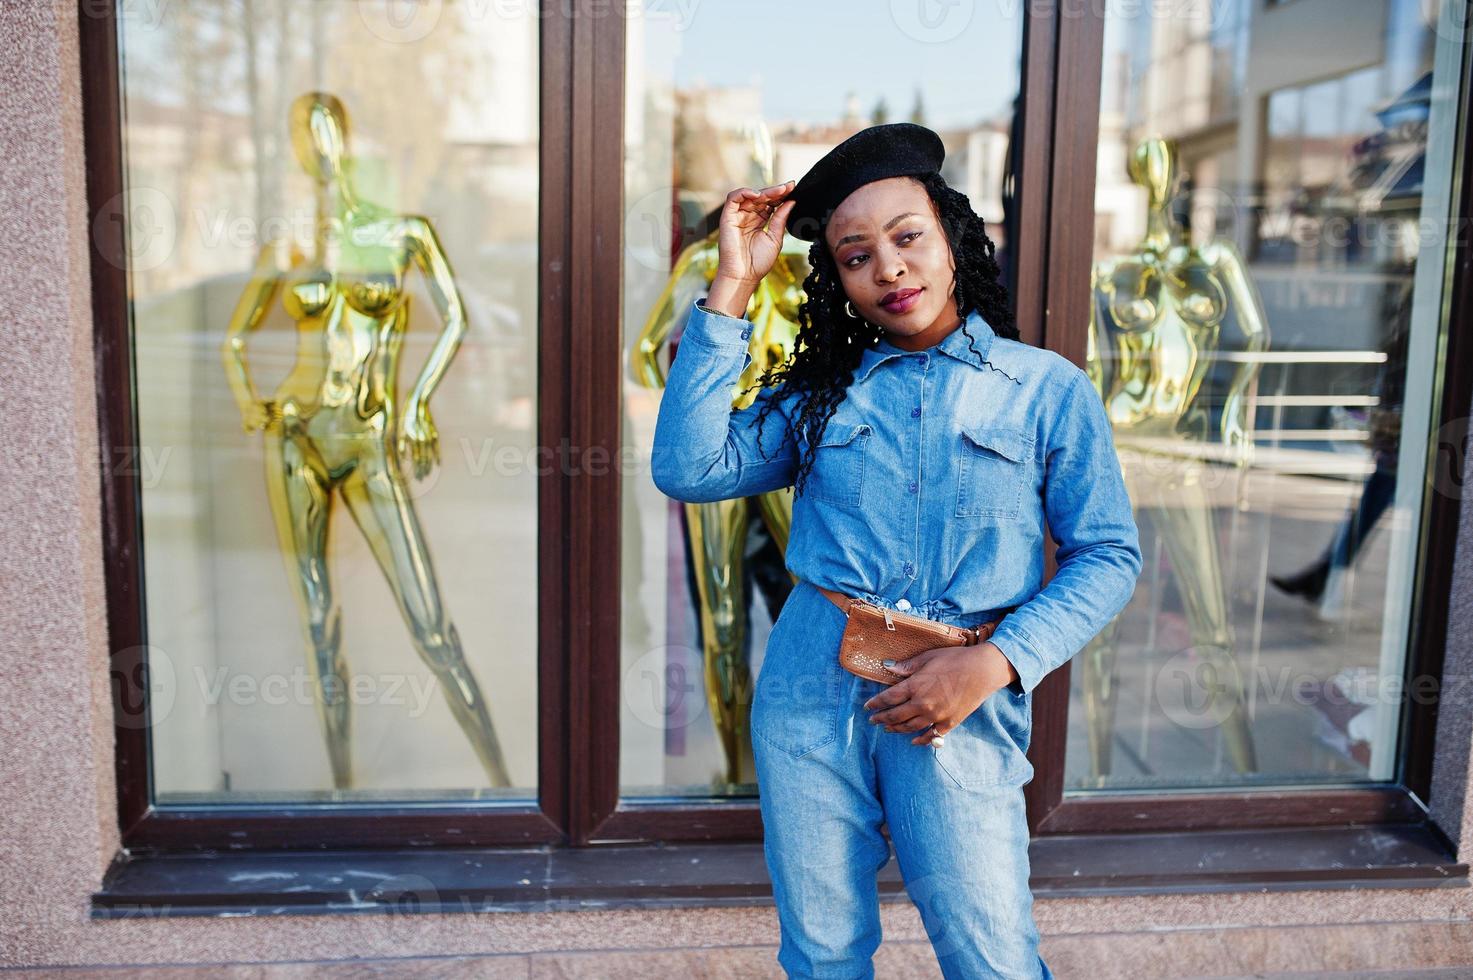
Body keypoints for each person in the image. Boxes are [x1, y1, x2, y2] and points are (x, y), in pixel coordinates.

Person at [650, 123, 1142, 980]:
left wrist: (994, 664)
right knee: (822, 953)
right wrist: (731, 283)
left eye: (907, 237)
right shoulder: (818, 398)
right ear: (837, 280)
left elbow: (1107, 554)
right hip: (810, 684)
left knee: (989, 955)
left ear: (951, 239)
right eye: (855, 255)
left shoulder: (1044, 390)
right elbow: (687, 468)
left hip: (956, 693)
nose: (889, 268)